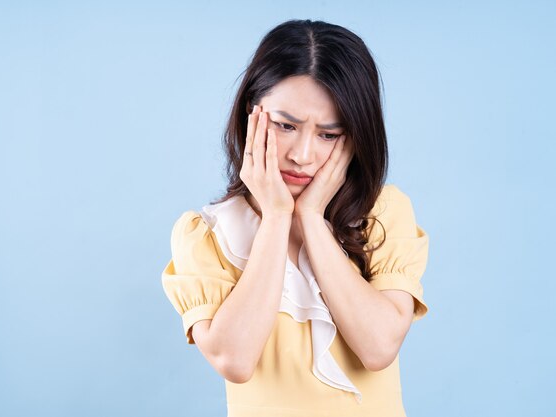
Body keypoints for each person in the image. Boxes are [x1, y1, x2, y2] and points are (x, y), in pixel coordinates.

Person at [161, 18, 429, 417]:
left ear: (356, 134)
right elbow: (234, 360)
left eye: (328, 134)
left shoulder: (382, 213)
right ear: (252, 114)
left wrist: (312, 219)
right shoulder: (208, 234)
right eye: (286, 126)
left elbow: (379, 348)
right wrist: (276, 217)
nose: (302, 155)